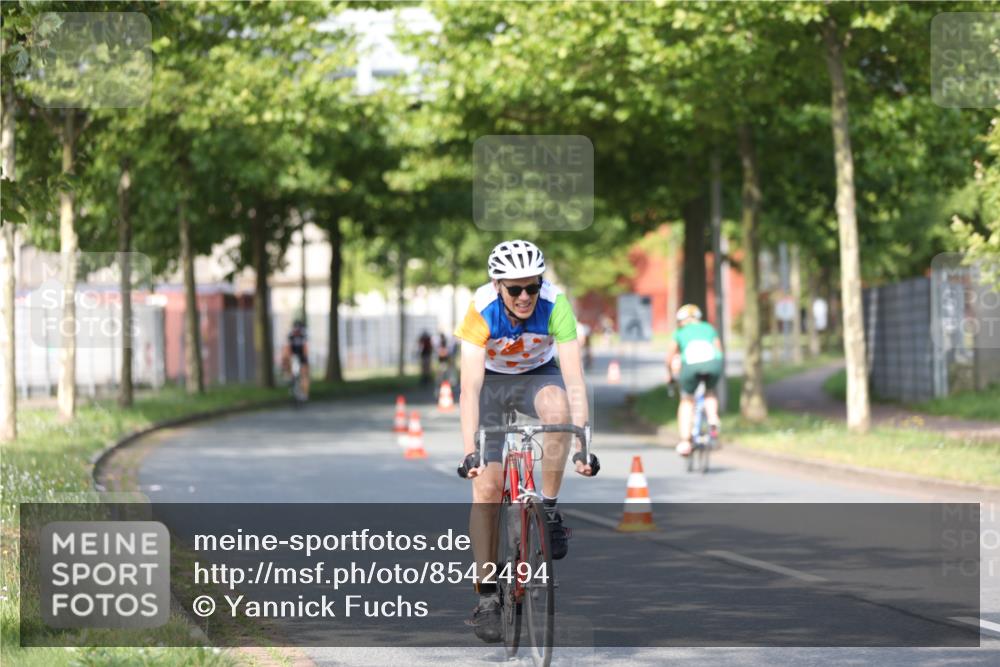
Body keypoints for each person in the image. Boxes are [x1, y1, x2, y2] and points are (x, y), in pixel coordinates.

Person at [454, 239, 599, 643]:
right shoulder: (480, 310)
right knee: (486, 487)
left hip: (540, 376)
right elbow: (469, 388)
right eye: (514, 289)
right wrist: (470, 451)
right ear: (498, 285)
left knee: (558, 414)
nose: (524, 297)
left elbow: (573, 380)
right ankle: (486, 597)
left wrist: (581, 443)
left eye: (531, 287)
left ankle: (548, 511)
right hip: (492, 386)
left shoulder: (557, 305)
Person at [665, 304, 723, 456]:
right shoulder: (709, 328)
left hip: (691, 365)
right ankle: (713, 419)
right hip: (714, 363)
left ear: (681, 321)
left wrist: (669, 374)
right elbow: (718, 349)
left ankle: (685, 441)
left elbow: (670, 356)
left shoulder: (680, 332)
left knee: (687, 400)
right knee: (710, 392)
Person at [281, 319, 310, 400]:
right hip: (293, 353)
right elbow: (287, 348)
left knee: (304, 374)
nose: (297, 330)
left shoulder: (304, 334)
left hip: (301, 354)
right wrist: (287, 358)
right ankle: (288, 376)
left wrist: (304, 358)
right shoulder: (290, 335)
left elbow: (305, 348)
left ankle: (304, 393)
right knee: (286, 359)